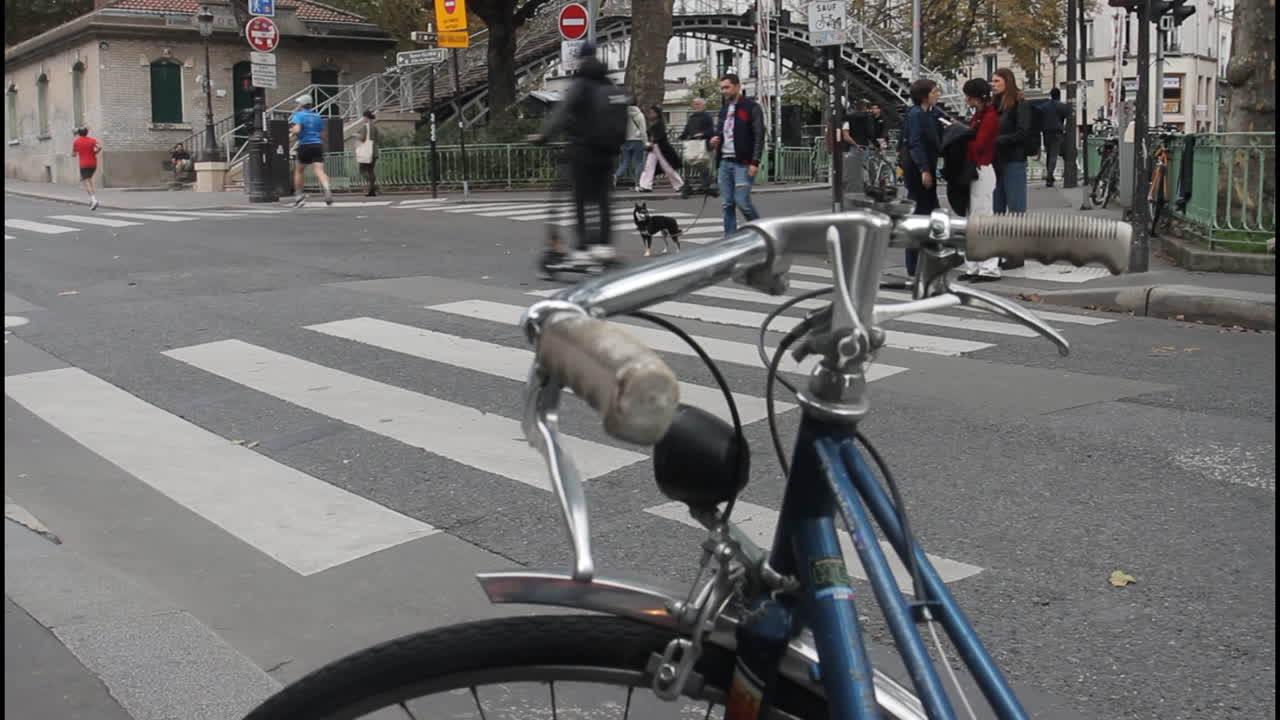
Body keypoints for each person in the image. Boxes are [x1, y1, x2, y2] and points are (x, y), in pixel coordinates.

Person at [528, 41, 628, 264]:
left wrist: (543, 136)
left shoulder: (580, 84)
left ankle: (583, 248)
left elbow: (562, 113)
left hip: (583, 151)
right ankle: (604, 246)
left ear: (581, 58)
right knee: (603, 200)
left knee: (581, 200)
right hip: (607, 153)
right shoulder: (609, 83)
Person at [709, 73, 765, 235]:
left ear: (737, 86)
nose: (724, 91)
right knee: (727, 204)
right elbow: (720, 133)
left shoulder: (751, 107)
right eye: (722, 88)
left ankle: (762, 231)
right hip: (724, 162)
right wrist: (714, 140)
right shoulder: (723, 110)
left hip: (743, 162)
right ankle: (730, 239)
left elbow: (759, 134)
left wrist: (755, 162)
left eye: (727, 87)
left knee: (742, 202)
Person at [958, 78, 1002, 281]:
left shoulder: (987, 117)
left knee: (980, 219)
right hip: (980, 168)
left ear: (976, 97)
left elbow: (979, 145)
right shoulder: (984, 115)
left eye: (968, 96)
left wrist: (961, 139)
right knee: (977, 218)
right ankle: (978, 266)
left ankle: (986, 267)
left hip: (980, 168)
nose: (966, 99)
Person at [991, 68, 1034, 270]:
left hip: (1014, 160)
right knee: (997, 209)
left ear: (1007, 82)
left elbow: (1023, 132)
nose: (993, 84)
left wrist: (998, 140)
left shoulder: (1019, 104)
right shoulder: (995, 104)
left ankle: (1016, 255)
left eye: (997, 81)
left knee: (1016, 209)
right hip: (997, 161)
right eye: (992, 81)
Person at [901, 78, 942, 278]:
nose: (938, 94)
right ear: (924, 96)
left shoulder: (927, 113)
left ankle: (921, 261)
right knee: (922, 214)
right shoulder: (916, 114)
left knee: (927, 213)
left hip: (924, 166)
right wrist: (924, 169)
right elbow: (915, 142)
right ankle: (915, 263)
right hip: (919, 169)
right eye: (934, 92)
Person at [289, 95, 333, 207]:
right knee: (319, 171)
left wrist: (292, 130)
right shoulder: (317, 116)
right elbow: (323, 134)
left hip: (305, 145)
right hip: (317, 145)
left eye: (298, 104)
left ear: (301, 105)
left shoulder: (298, 115)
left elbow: (297, 130)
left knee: (299, 171)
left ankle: (299, 196)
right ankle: (327, 188)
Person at [637, 104, 685, 193]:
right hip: (654, 147)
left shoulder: (659, 124)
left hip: (660, 148)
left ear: (657, 114)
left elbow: (660, 136)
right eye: (650, 112)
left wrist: (651, 142)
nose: (650, 114)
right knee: (649, 166)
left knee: (667, 167)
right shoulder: (655, 123)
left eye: (652, 112)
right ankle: (645, 186)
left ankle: (680, 185)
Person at [679, 96, 716, 196]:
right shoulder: (692, 117)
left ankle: (706, 184)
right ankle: (701, 184)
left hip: (704, 144)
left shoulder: (707, 117)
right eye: (695, 104)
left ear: (703, 105)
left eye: (698, 104)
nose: (696, 106)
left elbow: (711, 130)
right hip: (693, 144)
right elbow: (687, 129)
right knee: (694, 163)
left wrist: (702, 134)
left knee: (702, 163)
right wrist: (683, 136)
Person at [1039, 87, 1072, 187]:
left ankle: (1050, 175)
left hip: (1046, 132)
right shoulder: (1062, 106)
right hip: (1057, 133)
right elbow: (1069, 116)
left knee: (1049, 154)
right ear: (1059, 95)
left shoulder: (1044, 106)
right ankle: (1049, 177)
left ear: (1051, 95)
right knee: (1054, 155)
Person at [616, 103, 647, 188]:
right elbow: (643, 131)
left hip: (625, 141)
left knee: (625, 162)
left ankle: (616, 176)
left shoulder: (623, 115)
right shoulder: (640, 115)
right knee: (639, 163)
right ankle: (637, 184)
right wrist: (646, 142)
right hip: (638, 141)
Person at [70, 127, 102, 210]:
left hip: (84, 164)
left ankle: (94, 200)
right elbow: (99, 147)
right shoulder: (92, 140)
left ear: (79, 133)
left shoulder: (77, 141)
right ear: (86, 133)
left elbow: (73, 154)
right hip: (93, 164)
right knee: (89, 180)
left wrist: (73, 153)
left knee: (86, 182)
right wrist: (96, 152)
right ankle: (92, 199)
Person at [356, 110, 379, 197]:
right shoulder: (375, 126)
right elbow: (379, 138)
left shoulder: (365, 126)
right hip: (374, 152)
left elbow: (363, 139)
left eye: (363, 117)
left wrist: (357, 136)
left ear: (366, 117)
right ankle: (372, 191)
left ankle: (373, 186)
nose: (363, 119)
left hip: (366, 152)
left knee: (362, 170)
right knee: (371, 170)